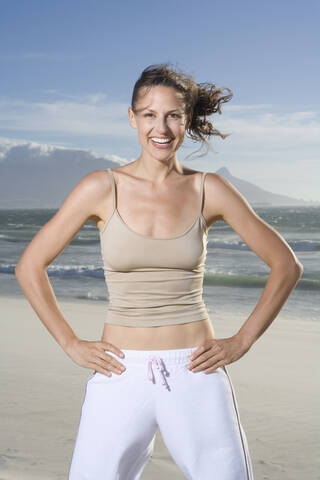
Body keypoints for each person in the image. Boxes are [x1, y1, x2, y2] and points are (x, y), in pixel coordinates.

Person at [15, 63, 303, 480]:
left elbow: (286, 265)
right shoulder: (101, 186)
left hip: (196, 372)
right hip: (119, 372)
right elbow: (30, 266)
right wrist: (71, 344)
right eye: (149, 114)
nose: (161, 128)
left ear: (187, 121)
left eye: (172, 115)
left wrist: (243, 340)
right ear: (132, 118)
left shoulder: (210, 189)